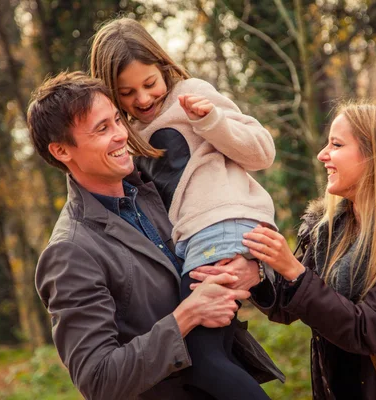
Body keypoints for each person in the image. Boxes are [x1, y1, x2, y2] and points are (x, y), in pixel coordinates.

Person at [27, 71, 283, 400]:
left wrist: (253, 270)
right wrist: (187, 316)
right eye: (102, 129)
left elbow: (233, 248)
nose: (121, 135)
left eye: (118, 120)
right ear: (62, 151)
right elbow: (98, 380)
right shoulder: (70, 252)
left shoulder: (157, 191)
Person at [195, 102, 376, 399]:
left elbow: (365, 330)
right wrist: (257, 274)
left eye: (336, 144)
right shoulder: (329, 231)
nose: (321, 155)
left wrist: (294, 271)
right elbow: (290, 306)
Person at [90, 17, 277, 400]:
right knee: (214, 353)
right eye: (126, 92)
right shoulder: (126, 133)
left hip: (220, 228)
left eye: (149, 84)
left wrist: (211, 120)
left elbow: (261, 152)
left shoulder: (190, 94)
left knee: (199, 359)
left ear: (164, 67)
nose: (142, 99)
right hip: (194, 240)